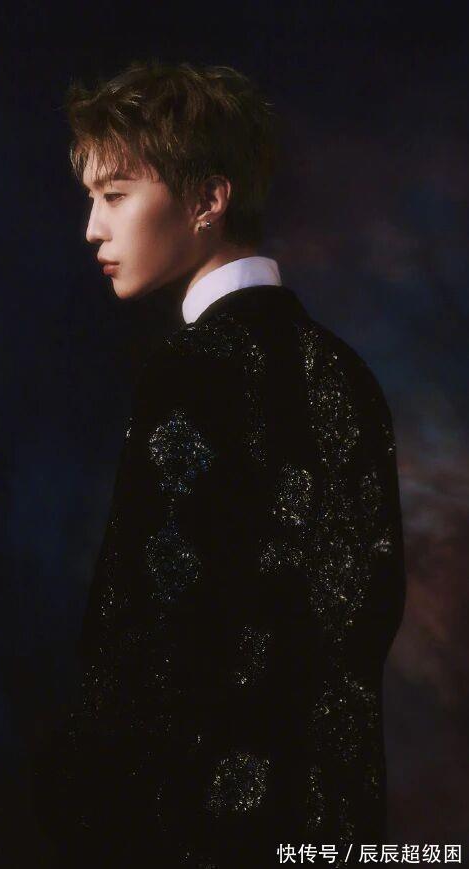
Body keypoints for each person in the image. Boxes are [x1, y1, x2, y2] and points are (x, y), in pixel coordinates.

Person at [31, 59, 407, 868]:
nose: (92, 228)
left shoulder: (189, 373)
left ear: (208, 200)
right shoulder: (350, 376)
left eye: (115, 195)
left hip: (201, 833)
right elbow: (367, 616)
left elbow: (141, 632)